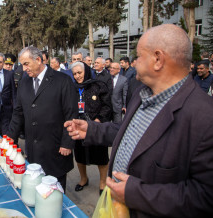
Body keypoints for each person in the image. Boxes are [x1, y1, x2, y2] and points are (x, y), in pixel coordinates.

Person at [65, 24, 213, 217]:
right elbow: (128, 132)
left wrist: (137, 194)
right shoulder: (141, 93)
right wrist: (92, 130)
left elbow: (206, 197)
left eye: (139, 56)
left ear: (158, 59)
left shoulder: (204, 116)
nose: (135, 61)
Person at [6, 47, 78, 190]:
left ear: (38, 60)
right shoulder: (24, 82)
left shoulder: (62, 81)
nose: (24, 68)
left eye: (26, 64)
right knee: (35, 189)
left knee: (54, 193)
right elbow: (18, 113)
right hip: (33, 149)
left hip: (56, 148)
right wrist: (9, 138)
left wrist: (67, 143)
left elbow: (71, 114)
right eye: (22, 65)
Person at [70, 61, 112, 194]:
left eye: (79, 73)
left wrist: (99, 119)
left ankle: (102, 182)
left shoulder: (98, 85)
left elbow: (107, 105)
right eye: (75, 74)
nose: (77, 76)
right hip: (78, 127)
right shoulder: (72, 88)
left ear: (86, 71)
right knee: (80, 155)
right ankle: (83, 179)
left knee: (101, 156)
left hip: (96, 126)